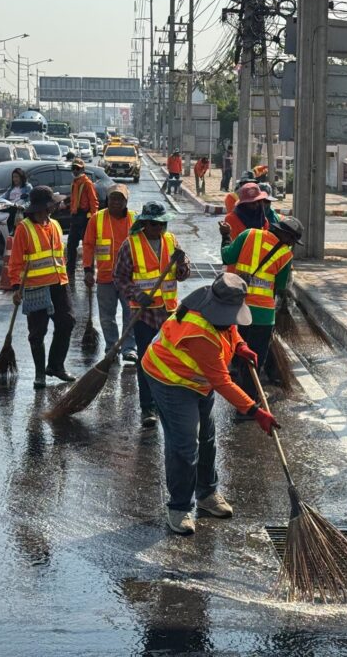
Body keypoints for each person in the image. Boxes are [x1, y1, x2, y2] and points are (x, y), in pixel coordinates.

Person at [141, 273, 279, 535]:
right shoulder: (199, 332)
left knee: (207, 437)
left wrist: (240, 345)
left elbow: (230, 328)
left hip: (198, 379)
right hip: (169, 379)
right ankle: (179, 507)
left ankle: (206, 494)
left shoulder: (216, 308)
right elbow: (223, 382)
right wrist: (255, 411)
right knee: (185, 445)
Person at [113, 201, 192, 428]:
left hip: (168, 313)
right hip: (144, 314)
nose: (160, 228)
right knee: (146, 361)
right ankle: (147, 407)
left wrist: (182, 265)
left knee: (171, 359)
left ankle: (166, 402)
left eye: (163, 224)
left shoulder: (171, 241)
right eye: (155, 224)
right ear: (145, 223)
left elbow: (183, 274)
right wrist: (137, 295)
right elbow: (120, 277)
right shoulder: (130, 245)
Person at [222, 217, 303, 410]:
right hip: (263, 315)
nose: (292, 244)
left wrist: (225, 237)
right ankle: (248, 402)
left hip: (239, 309)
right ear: (285, 235)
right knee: (254, 359)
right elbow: (280, 287)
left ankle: (240, 394)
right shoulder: (285, 255)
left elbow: (227, 256)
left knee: (240, 353)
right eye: (292, 240)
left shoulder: (248, 234)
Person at [9, 187, 77, 389]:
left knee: (67, 322)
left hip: (59, 284)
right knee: (37, 332)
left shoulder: (54, 225)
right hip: (35, 287)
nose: (56, 207)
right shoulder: (24, 229)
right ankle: (40, 374)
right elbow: (15, 262)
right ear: (44, 207)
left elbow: (60, 255)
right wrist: (16, 287)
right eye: (53, 204)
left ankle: (55, 366)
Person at [82, 184, 137, 362]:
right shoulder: (97, 219)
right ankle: (111, 348)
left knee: (131, 314)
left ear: (126, 201)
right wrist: (88, 270)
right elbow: (88, 245)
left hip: (129, 278)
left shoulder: (135, 219)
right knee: (107, 317)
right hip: (106, 277)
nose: (116, 202)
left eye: (120, 199)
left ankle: (129, 348)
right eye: (113, 198)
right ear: (107, 200)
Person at [62, 158, 98, 282]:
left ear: (82, 169)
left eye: (77, 168)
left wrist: (93, 219)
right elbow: (74, 199)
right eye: (73, 168)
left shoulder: (87, 183)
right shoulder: (75, 182)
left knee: (87, 246)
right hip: (75, 217)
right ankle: (70, 270)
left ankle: (89, 272)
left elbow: (93, 201)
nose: (75, 170)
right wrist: (67, 205)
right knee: (71, 244)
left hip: (84, 218)